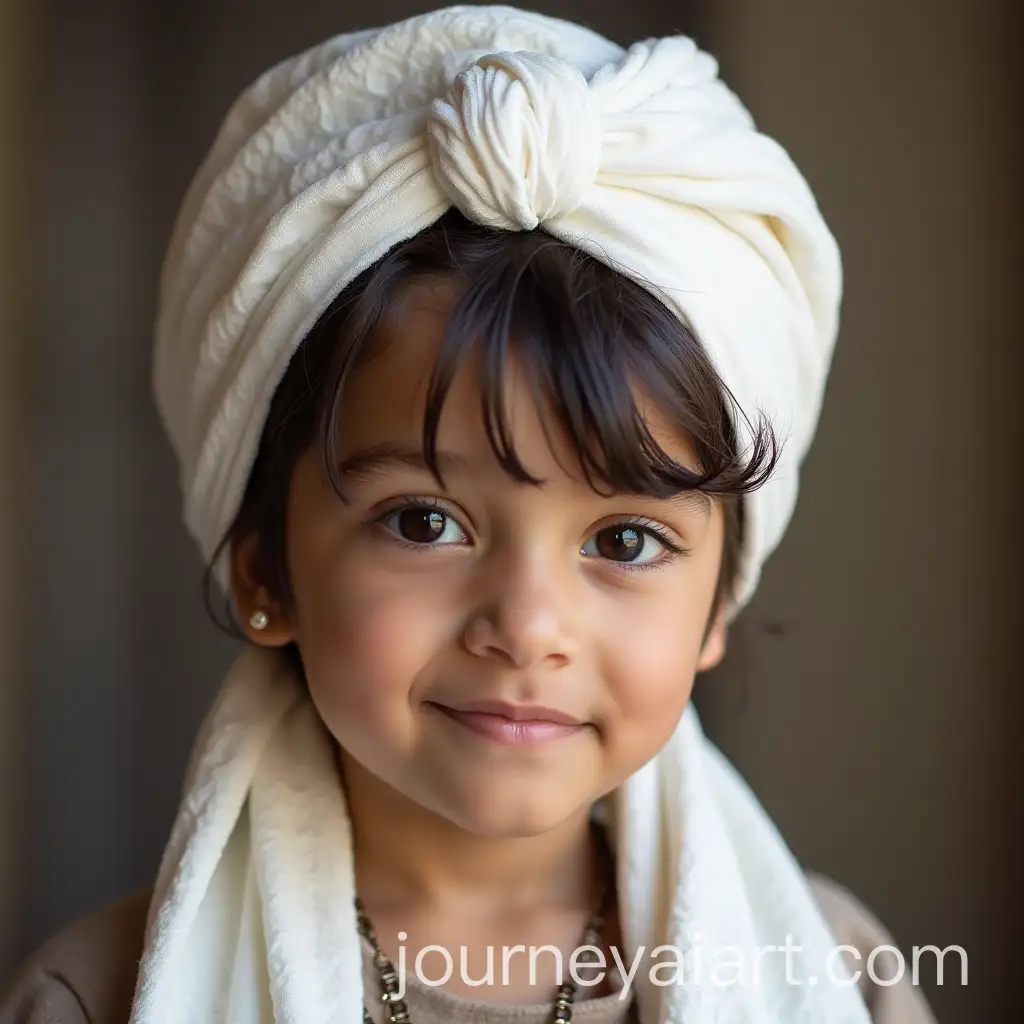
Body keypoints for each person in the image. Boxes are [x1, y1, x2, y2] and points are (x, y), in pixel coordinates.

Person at [1, 6, 937, 1023]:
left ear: (717, 603)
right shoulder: (102, 995)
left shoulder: (836, 974)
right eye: (423, 523)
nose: (528, 626)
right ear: (264, 563)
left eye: (624, 541)